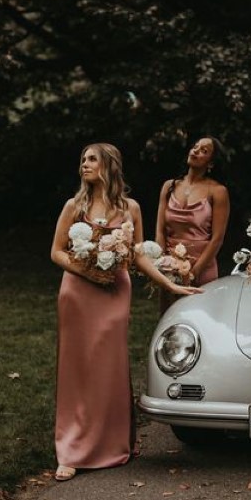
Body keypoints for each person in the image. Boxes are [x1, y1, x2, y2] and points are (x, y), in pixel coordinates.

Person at [51, 142, 200, 481]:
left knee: (109, 366)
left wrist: (170, 284)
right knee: (77, 368)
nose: (84, 164)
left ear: (108, 165)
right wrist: (87, 270)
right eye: (82, 159)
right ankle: (71, 448)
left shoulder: (130, 208)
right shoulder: (74, 206)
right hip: (77, 291)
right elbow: (57, 251)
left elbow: (138, 255)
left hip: (114, 293)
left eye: (91, 159)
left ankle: (113, 442)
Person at [155, 135, 230, 314]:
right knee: (170, 320)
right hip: (170, 267)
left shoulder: (218, 192)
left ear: (211, 163)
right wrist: (162, 264)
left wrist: (193, 273)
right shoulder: (169, 186)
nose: (196, 151)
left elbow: (217, 239)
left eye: (204, 151)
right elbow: (159, 230)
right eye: (195, 146)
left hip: (202, 267)